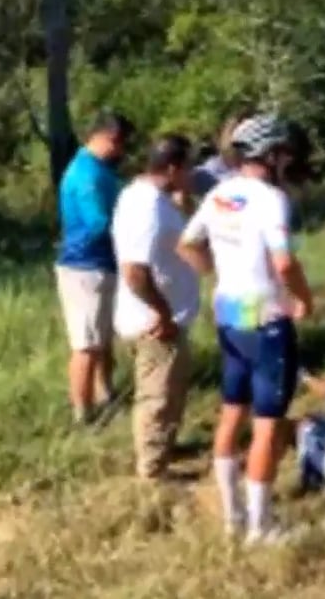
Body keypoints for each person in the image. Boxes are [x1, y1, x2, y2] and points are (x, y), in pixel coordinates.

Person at [177, 113, 314, 545]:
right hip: (267, 316)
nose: (288, 161)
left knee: (232, 409)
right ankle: (261, 526)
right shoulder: (271, 199)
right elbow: (284, 262)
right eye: (284, 153)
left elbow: (186, 243)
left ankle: (233, 517)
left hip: (229, 311)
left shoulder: (220, 193)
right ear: (270, 154)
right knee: (268, 422)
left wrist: (216, 275)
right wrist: (303, 298)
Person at [110, 134, 201, 481]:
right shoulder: (147, 206)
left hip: (159, 317)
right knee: (157, 398)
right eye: (188, 166)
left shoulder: (148, 197)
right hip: (154, 323)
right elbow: (134, 270)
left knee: (168, 393)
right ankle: (153, 472)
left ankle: (161, 450)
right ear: (174, 167)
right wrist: (162, 312)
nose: (192, 173)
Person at [55, 110, 134, 425]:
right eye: (119, 143)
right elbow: (97, 222)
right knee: (86, 344)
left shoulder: (101, 171)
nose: (121, 150)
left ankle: (107, 394)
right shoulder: (86, 175)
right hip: (85, 267)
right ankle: (83, 413)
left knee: (102, 339)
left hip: (103, 264)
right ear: (105, 138)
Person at [189, 110, 252, 198]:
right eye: (233, 132)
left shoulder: (261, 172)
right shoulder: (204, 174)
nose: (236, 139)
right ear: (222, 136)